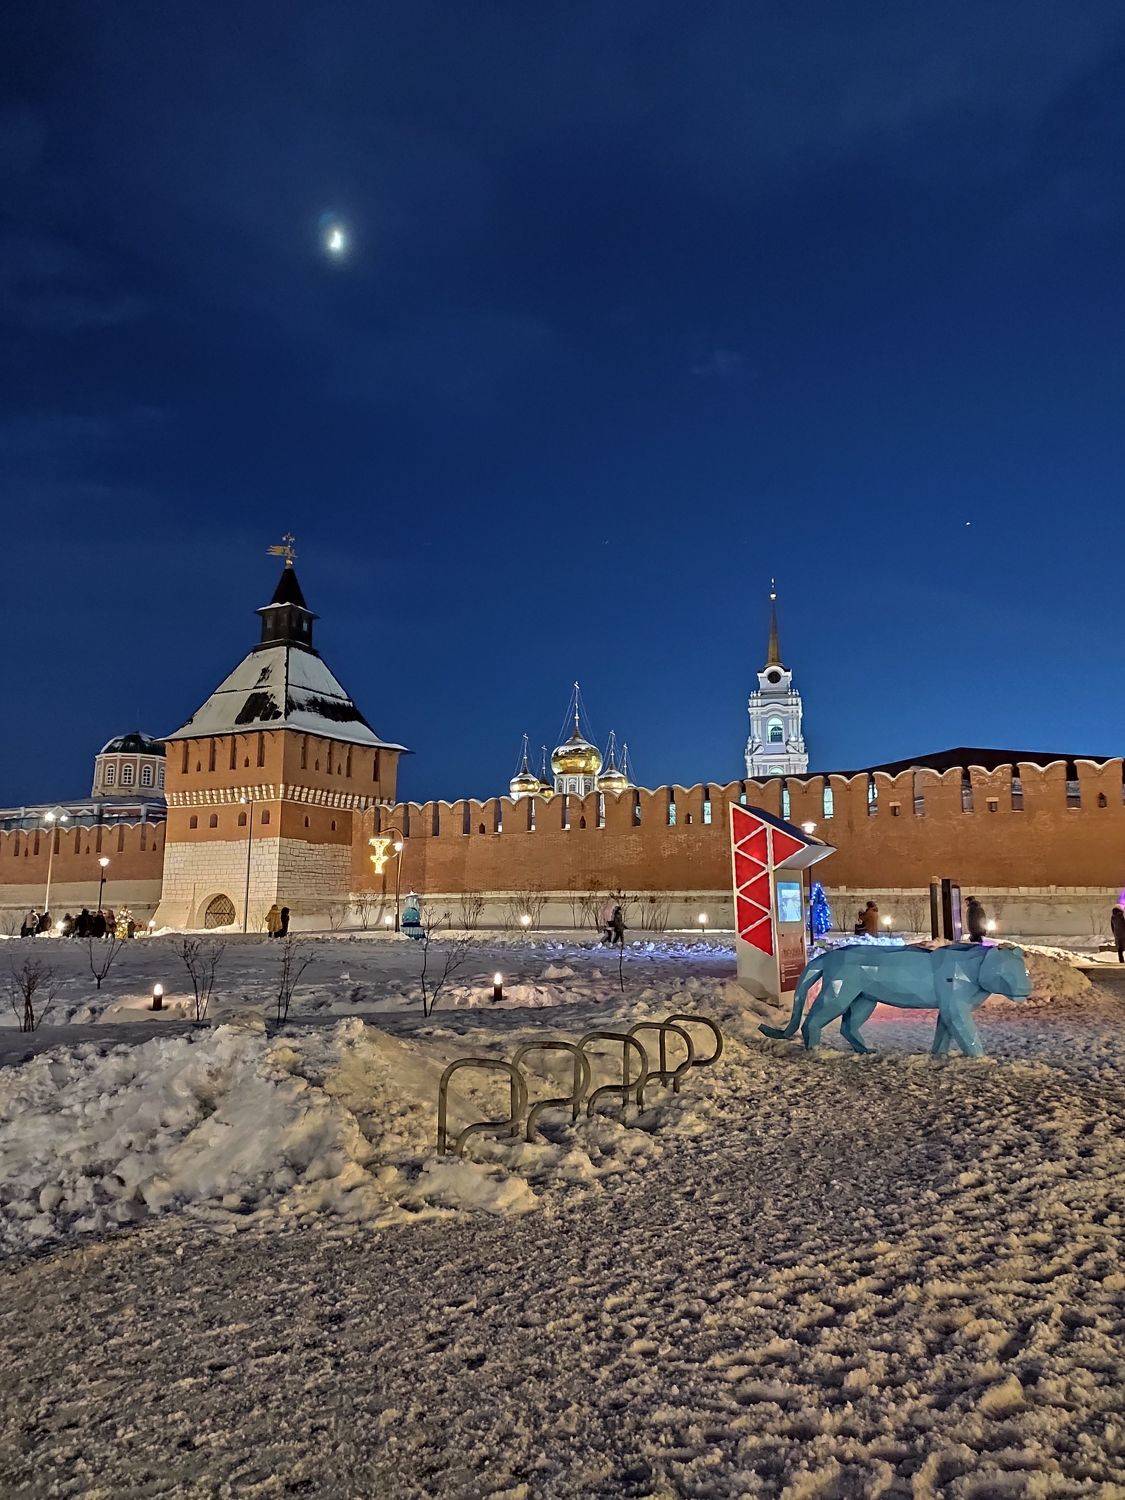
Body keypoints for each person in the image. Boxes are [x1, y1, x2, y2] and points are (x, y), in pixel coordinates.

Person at [1111, 899, 1125, 964]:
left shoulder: (1112, 917)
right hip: (1124, 934)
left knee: (1120, 948)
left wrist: (1114, 934)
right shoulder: (1121, 916)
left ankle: (1121, 960)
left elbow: (1112, 926)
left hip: (1117, 935)